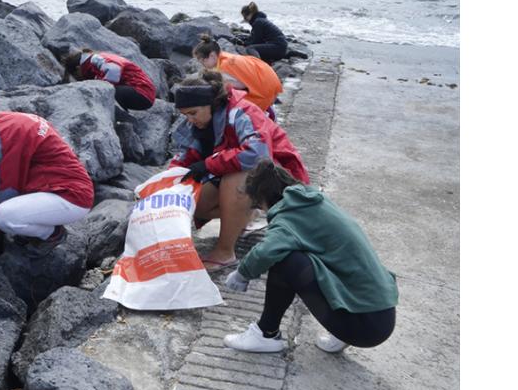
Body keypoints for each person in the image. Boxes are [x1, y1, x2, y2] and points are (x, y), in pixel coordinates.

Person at [221, 160, 398, 353]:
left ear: (263, 199)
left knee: (286, 260)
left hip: (363, 326)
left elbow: (265, 251)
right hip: (381, 315)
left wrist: (242, 273)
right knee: (304, 254)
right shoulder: (314, 202)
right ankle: (341, 330)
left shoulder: (288, 218)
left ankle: (266, 333)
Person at [170, 71, 309, 271]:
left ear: (210, 104)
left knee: (236, 177)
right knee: (196, 202)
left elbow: (258, 154)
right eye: (185, 115)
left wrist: (208, 164)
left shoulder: (242, 112)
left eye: (193, 113)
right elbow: (184, 157)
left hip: (280, 180)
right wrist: (166, 181)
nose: (189, 120)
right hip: (250, 179)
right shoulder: (200, 123)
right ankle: (244, 217)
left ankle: (225, 251)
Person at [0, 86, 94, 251]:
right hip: (56, 181)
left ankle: (52, 234)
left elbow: (3, 193)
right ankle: (33, 219)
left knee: (2, 217)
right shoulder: (1, 121)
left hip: (72, 196)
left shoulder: (1, 139)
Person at [193, 35, 283, 120]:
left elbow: (241, 85)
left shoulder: (224, 66)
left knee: (232, 107)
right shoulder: (226, 57)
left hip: (265, 91)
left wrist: (221, 86)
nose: (203, 65)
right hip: (271, 81)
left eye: (203, 61)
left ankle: (266, 113)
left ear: (212, 55)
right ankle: (267, 108)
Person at [63, 48, 156, 111]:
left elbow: (114, 70)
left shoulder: (95, 59)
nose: (80, 78)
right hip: (144, 93)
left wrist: (103, 87)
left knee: (107, 94)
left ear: (78, 68)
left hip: (142, 91)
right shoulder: (93, 63)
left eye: (77, 75)